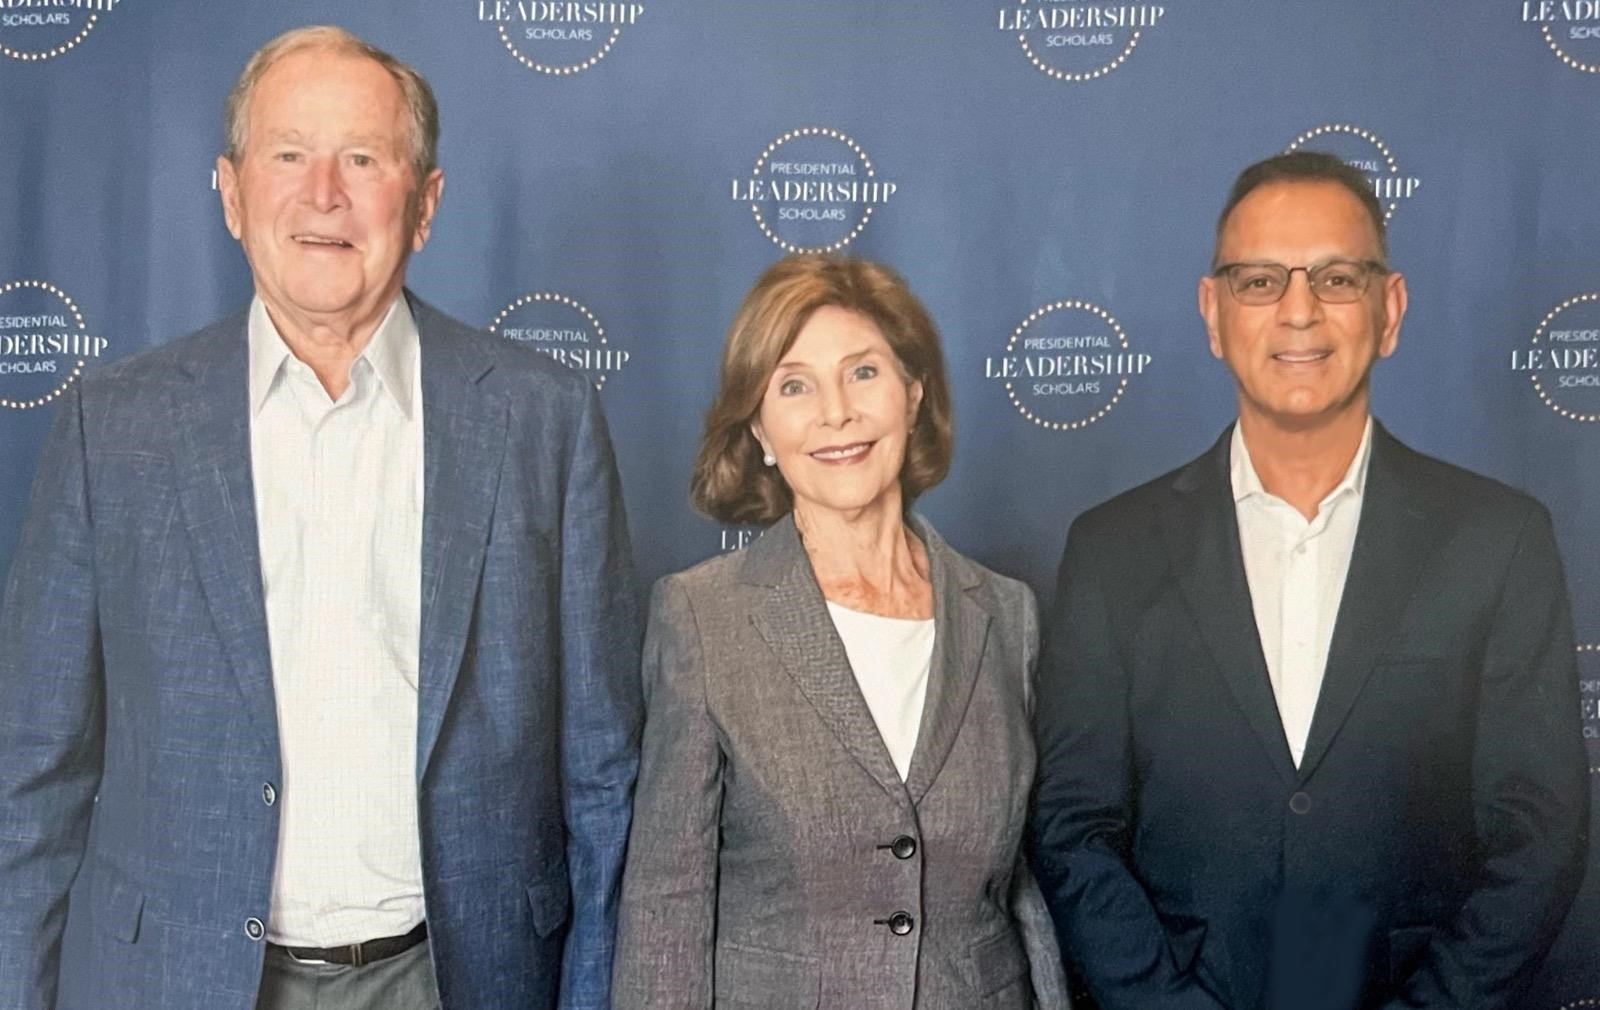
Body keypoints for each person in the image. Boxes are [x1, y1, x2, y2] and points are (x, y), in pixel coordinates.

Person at [0, 25, 641, 1010]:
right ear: (231, 193)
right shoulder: (112, 425)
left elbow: (603, 774)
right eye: (289, 154)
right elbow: (30, 772)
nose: (324, 194)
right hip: (179, 978)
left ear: (425, 204)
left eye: (363, 159)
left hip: (462, 976)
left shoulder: (543, 418)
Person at [1029, 149, 1589, 1010]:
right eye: (1260, 282)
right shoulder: (1113, 551)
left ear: (1389, 310)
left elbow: (1539, 833)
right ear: (1213, 313)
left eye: (1336, 279)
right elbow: (1074, 829)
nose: (1299, 311)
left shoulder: (1499, 540)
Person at [611, 254, 1068, 1009]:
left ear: (913, 395)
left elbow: (1023, 892)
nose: (837, 413)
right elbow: (668, 903)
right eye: (794, 385)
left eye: (863, 373)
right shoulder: (702, 616)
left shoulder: (1008, 616)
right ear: (759, 428)